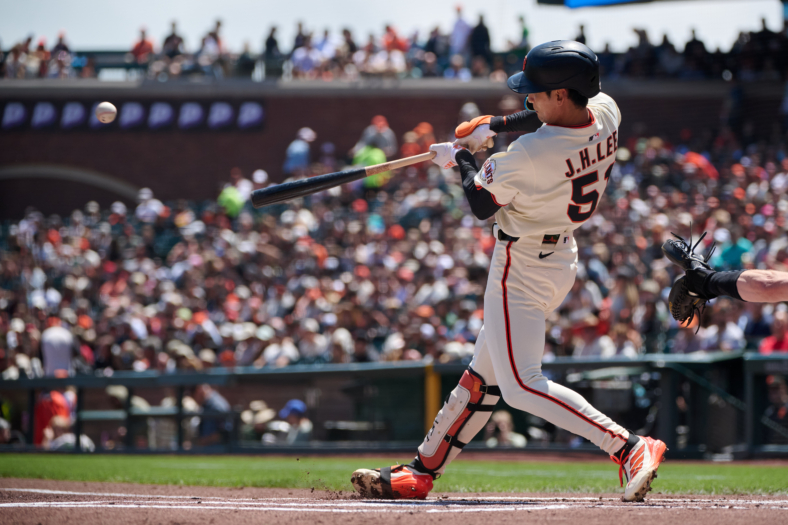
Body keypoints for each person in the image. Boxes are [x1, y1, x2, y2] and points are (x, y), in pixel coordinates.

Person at [352, 41, 666, 503]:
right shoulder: (605, 111)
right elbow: (552, 117)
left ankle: (629, 446)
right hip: (561, 259)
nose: (528, 98)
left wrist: (459, 158)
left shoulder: (529, 154)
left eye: (536, 91)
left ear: (561, 93)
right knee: (484, 375)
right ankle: (421, 471)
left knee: (519, 386)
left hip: (519, 267)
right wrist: (493, 125)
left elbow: (481, 203)